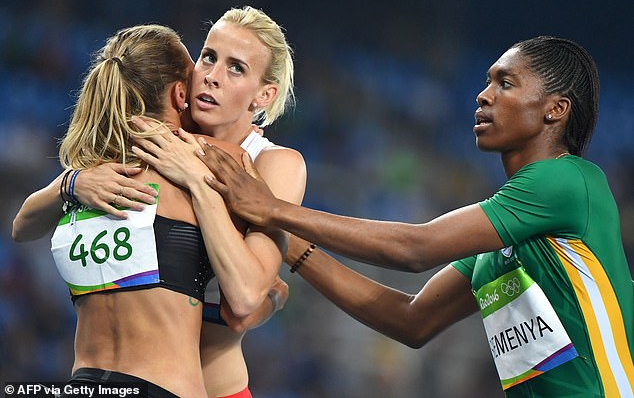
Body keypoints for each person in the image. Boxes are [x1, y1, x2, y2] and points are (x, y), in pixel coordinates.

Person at [189, 36, 634, 397]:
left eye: (506, 84)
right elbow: (412, 320)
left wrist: (273, 209)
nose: (483, 95)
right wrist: (290, 242)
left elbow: (415, 248)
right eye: (487, 82)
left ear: (555, 109)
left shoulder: (569, 180)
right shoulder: (501, 244)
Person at [12, 6, 306, 398]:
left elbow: (242, 308)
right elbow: (22, 225)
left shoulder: (269, 163)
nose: (213, 77)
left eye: (236, 68)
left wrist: (263, 304)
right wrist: (73, 181)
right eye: (208, 57)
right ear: (180, 88)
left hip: (217, 388)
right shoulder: (151, 140)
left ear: (264, 94)